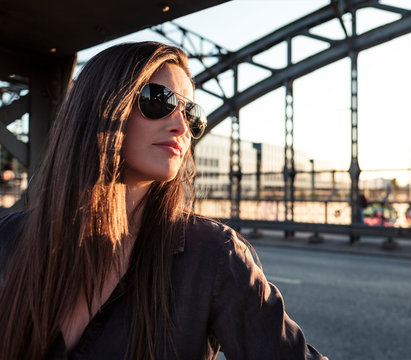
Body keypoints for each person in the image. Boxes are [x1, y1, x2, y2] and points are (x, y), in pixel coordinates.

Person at [0, 42, 327, 360]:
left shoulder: (213, 255)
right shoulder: (9, 239)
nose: (182, 125)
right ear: (102, 107)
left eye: (192, 114)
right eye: (158, 100)